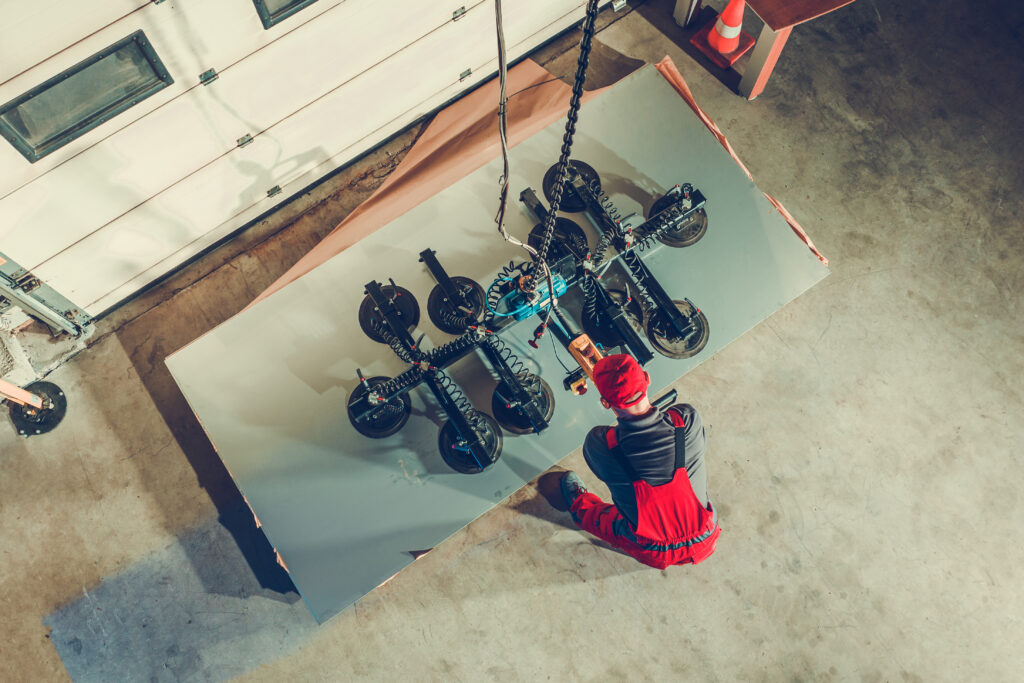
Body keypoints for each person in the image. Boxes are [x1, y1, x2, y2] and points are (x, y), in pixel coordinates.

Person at [560, 354, 720, 568]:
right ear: (647, 379)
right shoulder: (686, 420)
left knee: (602, 519)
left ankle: (579, 505)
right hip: (706, 535)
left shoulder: (601, 445)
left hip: (653, 548)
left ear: (605, 403)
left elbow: (602, 470)